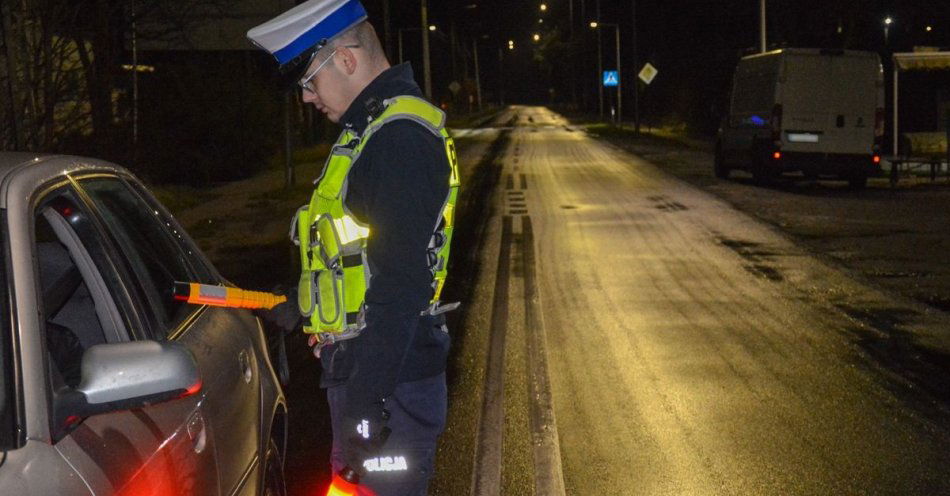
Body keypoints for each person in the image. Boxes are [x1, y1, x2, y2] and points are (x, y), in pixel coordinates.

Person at [247, 1, 460, 495]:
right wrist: (306, 304)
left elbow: (402, 283)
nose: (305, 97)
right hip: (379, 375)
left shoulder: (398, 140)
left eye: (308, 82)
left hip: (390, 383)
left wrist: (368, 402)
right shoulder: (372, 132)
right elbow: (358, 257)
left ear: (345, 59)